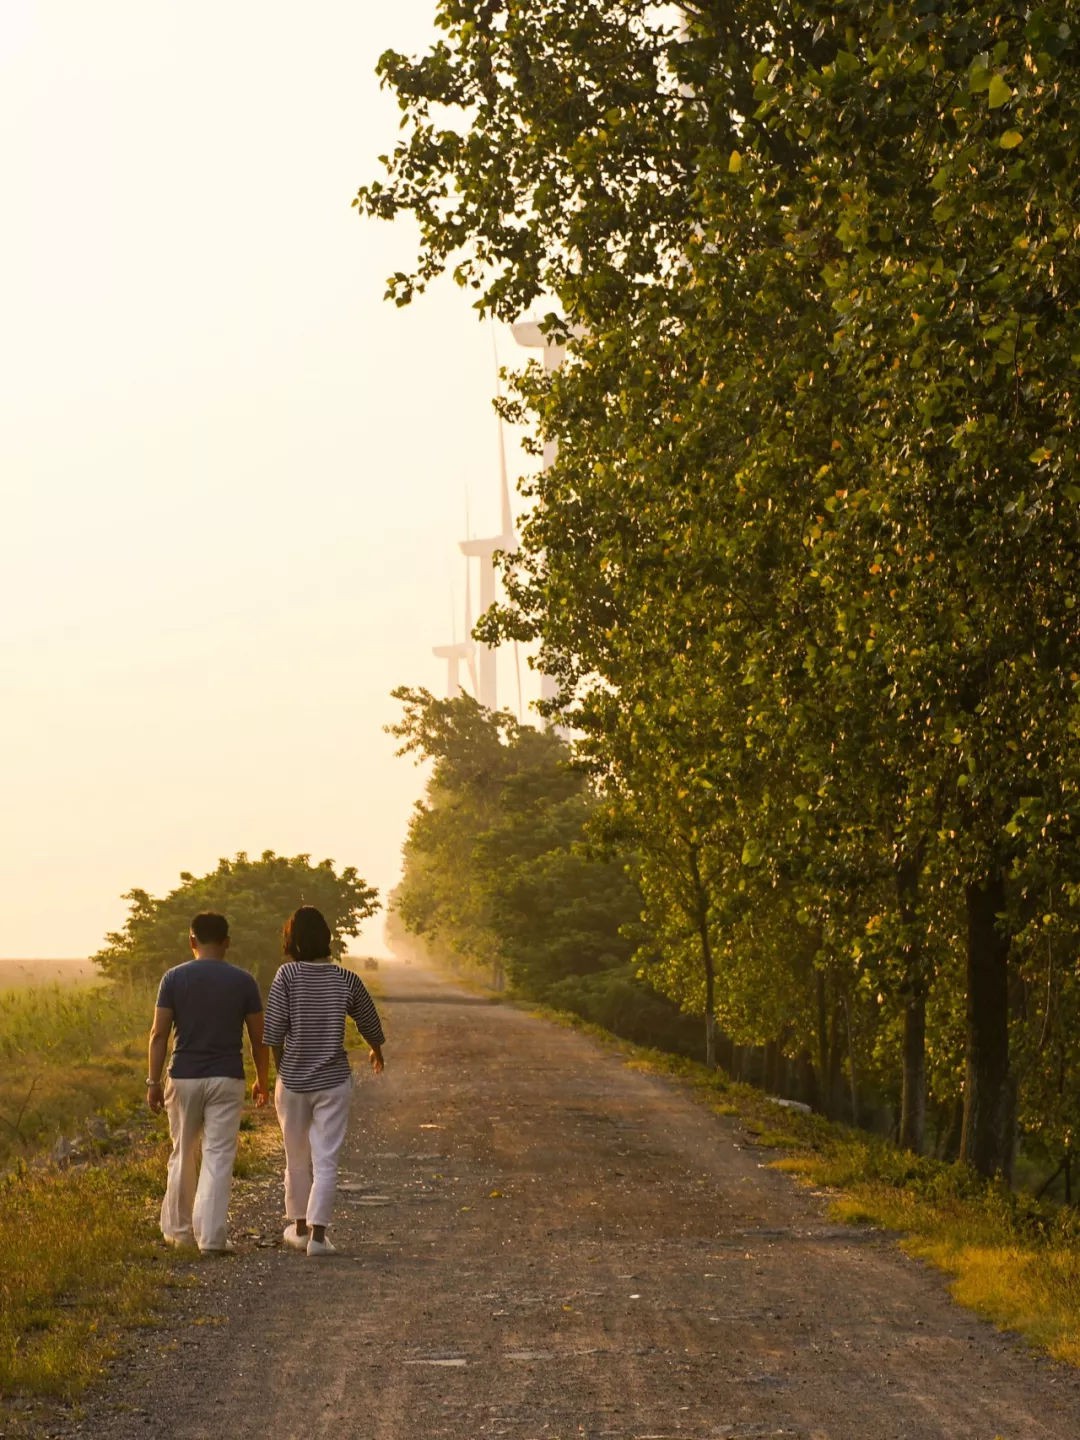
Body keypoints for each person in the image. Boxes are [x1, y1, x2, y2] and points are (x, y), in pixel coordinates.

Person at [263, 905, 385, 1257]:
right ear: (326, 939)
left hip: (293, 1082)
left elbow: (273, 1033)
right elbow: (368, 1020)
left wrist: (282, 1070)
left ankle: (298, 1228)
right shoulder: (345, 979)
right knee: (326, 1159)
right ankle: (318, 1238)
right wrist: (376, 1051)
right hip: (332, 1080)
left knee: (296, 1157)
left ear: (292, 940)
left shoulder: (286, 976)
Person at [147, 911, 270, 1253]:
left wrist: (152, 1081)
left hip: (183, 1076)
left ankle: (179, 1232)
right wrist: (262, 1080)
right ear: (227, 943)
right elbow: (259, 1039)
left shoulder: (173, 978)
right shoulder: (244, 981)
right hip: (226, 1077)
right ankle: (212, 1238)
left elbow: (159, 1035)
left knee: (182, 1152)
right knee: (218, 1155)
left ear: (192, 942)